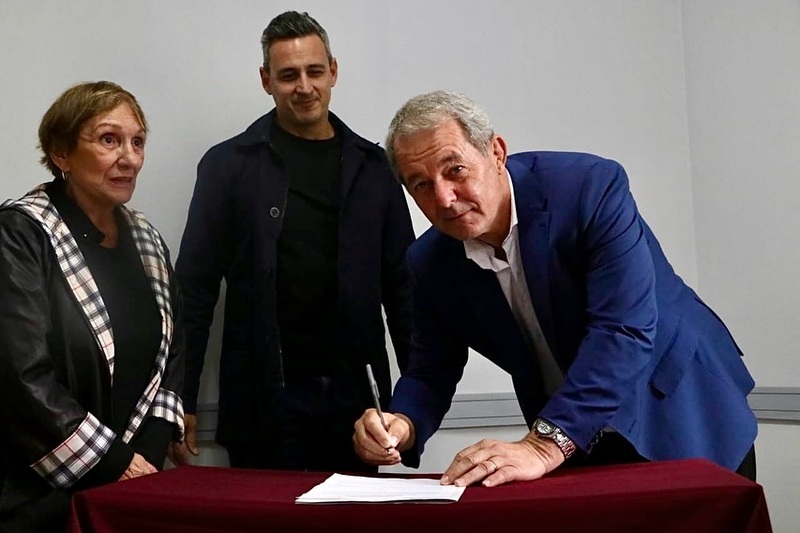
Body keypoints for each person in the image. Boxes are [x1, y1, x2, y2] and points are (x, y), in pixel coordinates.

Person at [353, 90, 758, 487]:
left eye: (454, 169)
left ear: (496, 152)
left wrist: (543, 445)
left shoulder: (589, 188)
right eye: (420, 185)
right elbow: (430, 370)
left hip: (681, 404)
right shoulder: (429, 262)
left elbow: (621, 330)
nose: (443, 197)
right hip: (574, 431)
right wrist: (401, 424)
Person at [172, 11, 414, 472]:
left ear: (333, 71)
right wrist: (180, 397)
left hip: (357, 406)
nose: (304, 86)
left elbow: (405, 291)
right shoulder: (228, 166)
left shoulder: (375, 168)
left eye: (314, 71)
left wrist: (413, 406)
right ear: (266, 81)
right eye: (288, 75)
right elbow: (194, 291)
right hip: (264, 403)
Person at [0, 81, 185, 531]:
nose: (129, 157)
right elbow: (20, 377)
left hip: (131, 487)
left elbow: (172, 354)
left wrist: (148, 455)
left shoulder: (146, 238)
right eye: (109, 140)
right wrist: (115, 463)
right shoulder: (20, 233)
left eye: (137, 142)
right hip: (36, 498)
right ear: (61, 153)